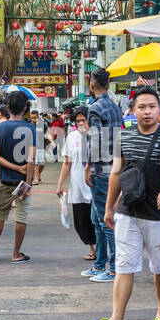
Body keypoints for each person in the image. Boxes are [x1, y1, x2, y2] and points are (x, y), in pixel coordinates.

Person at [92, 87, 160, 320]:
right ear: (133, 111)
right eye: (141, 107)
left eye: (152, 107)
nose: (147, 111)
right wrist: (109, 207)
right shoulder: (123, 137)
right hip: (128, 211)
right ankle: (116, 319)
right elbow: (116, 173)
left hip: (157, 213)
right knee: (124, 264)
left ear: (159, 110)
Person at [0, 90, 34, 263]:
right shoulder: (30, 128)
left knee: (1, 214)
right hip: (22, 182)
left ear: (7, 107)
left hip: (6, 180)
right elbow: (31, 159)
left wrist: (13, 167)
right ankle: (16, 254)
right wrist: (27, 182)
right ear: (25, 108)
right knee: (21, 216)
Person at [84, 69, 124, 283]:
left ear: (92, 84)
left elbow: (95, 140)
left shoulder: (95, 108)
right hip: (114, 167)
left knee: (105, 219)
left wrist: (88, 165)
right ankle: (100, 264)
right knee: (97, 218)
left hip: (101, 170)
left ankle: (114, 268)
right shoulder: (115, 108)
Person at [57, 109, 96, 263]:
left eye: (83, 120)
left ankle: (98, 250)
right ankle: (92, 248)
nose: (81, 123)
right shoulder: (72, 137)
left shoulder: (97, 135)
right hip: (77, 185)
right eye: (78, 121)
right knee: (81, 221)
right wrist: (60, 184)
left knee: (95, 220)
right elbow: (67, 162)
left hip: (94, 185)